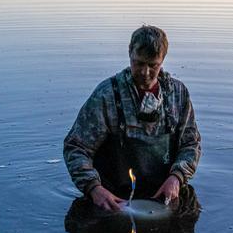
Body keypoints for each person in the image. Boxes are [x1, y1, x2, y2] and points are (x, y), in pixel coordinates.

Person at [63, 25, 201, 211]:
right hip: (112, 201)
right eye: (139, 63)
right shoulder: (107, 95)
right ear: (130, 54)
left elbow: (190, 144)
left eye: (153, 65)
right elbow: (76, 147)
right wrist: (94, 188)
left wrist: (177, 177)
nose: (145, 73)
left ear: (163, 60)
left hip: (164, 197)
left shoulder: (178, 94)